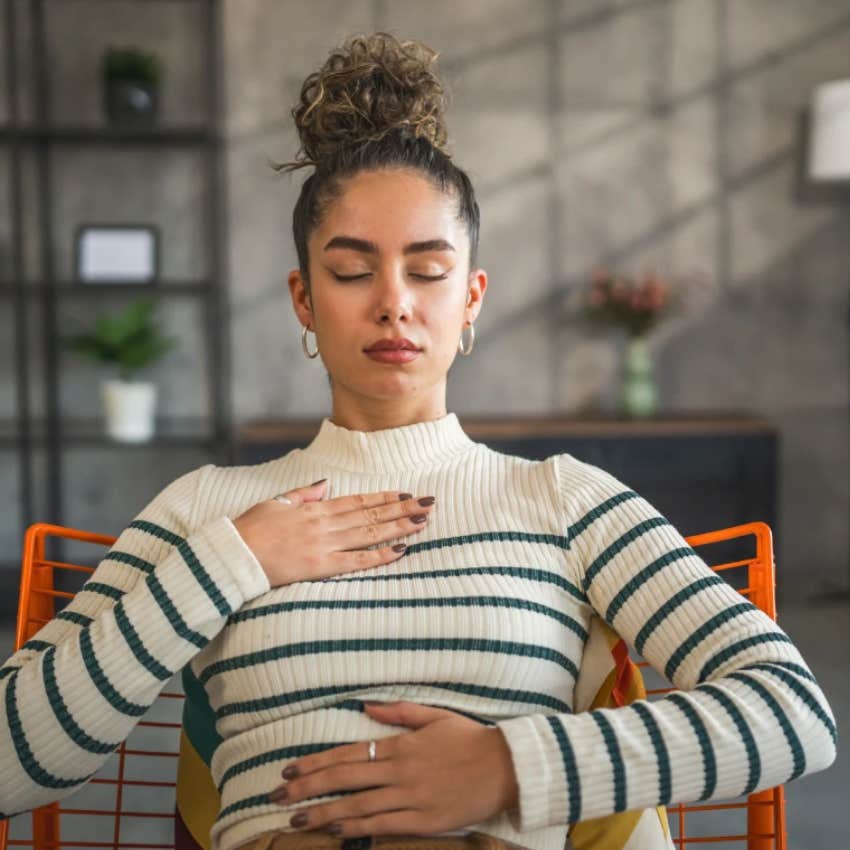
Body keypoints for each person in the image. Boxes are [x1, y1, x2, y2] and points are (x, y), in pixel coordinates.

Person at [0, 30, 837, 850]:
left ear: (470, 300)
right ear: (303, 299)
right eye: (353, 270)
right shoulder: (208, 510)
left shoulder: (564, 499)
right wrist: (229, 564)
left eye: (428, 272)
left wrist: (510, 769)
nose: (394, 303)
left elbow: (792, 711)